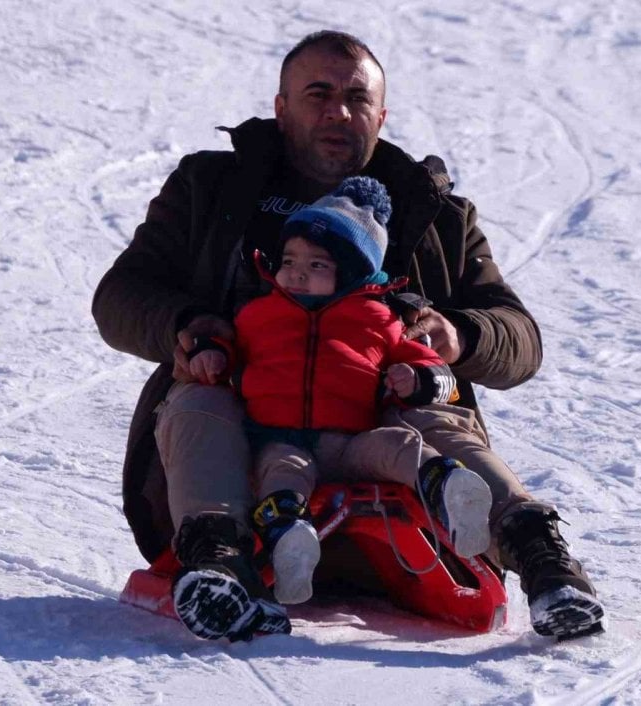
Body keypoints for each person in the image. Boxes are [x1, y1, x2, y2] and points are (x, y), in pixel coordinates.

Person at [92, 30, 604, 642]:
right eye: (318, 93)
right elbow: (119, 298)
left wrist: (459, 337)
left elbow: (520, 338)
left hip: (385, 436)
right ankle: (218, 561)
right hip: (251, 434)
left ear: (381, 115)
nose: (338, 111)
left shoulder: (436, 214)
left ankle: (546, 564)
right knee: (202, 398)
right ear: (281, 106)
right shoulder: (211, 190)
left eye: (357, 97)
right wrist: (188, 329)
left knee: (433, 419)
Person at [182, 176, 492, 628]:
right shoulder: (258, 314)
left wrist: (421, 379)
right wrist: (209, 352)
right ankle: (292, 544)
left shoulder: (378, 320)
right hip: (278, 437)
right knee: (282, 475)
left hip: (351, 442)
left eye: (316, 265)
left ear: (350, 274)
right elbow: (227, 346)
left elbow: (442, 375)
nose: (297, 273)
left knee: (397, 445)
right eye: (289, 261)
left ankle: (448, 488)